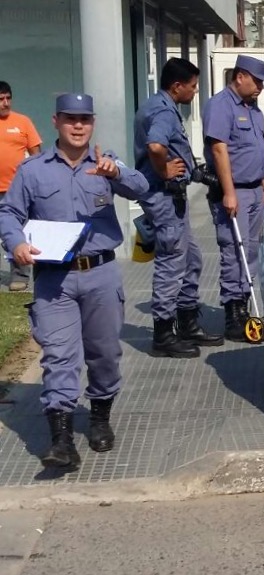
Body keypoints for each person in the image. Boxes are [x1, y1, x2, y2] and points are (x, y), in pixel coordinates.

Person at [0, 93, 150, 469]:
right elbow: (9, 212)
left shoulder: (105, 163)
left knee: (104, 355)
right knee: (60, 356)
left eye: (85, 119)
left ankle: (99, 417)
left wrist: (116, 173)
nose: (78, 125)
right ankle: (61, 439)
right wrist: (16, 243)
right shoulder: (33, 170)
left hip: (100, 274)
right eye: (70, 119)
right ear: (55, 122)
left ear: (93, 122)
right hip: (54, 280)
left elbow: (142, 188)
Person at [134, 58, 223, 358]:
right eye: (193, 86)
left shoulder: (159, 106)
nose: (195, 92)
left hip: (172, 194)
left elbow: (170, 150)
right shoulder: (163, 112)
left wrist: (194, 173)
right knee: (172, 261)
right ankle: (163, 334)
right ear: (176, 87)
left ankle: (187, 322)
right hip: (163, 194)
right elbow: (156, 147)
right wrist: (164, 172)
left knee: (192, 258)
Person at [202, 54, 264, 342]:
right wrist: (229, 192)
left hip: (255, 189)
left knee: (251, 249)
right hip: (235, 191)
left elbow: (257, 150)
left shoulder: (253, 110)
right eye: (256, 81)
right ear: (240, 76)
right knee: (234, 249)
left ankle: (244, 304)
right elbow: (219, 150)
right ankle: (233, 313)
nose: (260, 88)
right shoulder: (221, 106)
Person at [0, 81, 43, 291]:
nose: (5, 103)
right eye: (0, 99)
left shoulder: (22, 122)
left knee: (18, 232)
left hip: (16, 190)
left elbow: (37, 156)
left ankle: (20, 276)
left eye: (8, 98)